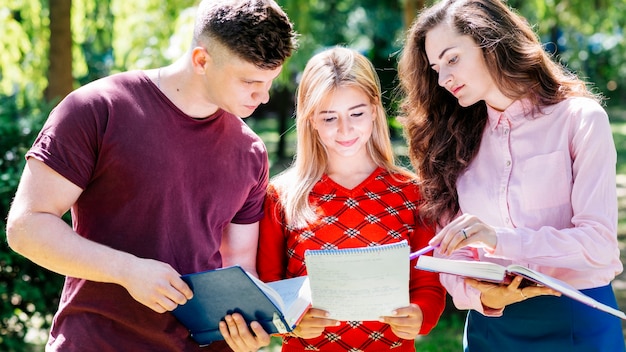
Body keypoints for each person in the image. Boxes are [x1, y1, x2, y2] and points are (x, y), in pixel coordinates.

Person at [5, 0, 297, 351]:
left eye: (269, 82)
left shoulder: (250, 151)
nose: (263, 97)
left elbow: (239, 270)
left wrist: (246, 330)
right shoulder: (97, 109)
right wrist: (126, 270)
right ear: (201, 60)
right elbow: (26, 228)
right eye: (250, 81)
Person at [397, 0, 625, 351]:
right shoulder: (452, 142)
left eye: (452, 59)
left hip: (578, 321)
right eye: (436, 68)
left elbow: (598, 245)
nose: (443, 79)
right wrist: (483, 295)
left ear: (492, 42)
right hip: (493, 327)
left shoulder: (580, 119)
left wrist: (499, 240)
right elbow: (450, 253)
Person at [257, 46, 446, 352]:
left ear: (374, 109)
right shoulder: (281, 197)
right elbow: (268, 290)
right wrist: (292, 323)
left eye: (356, 113)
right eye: (329, 117)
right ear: (311, 120)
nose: (345, 129)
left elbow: (428, 285)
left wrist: (419, 315)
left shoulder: (414, 193)